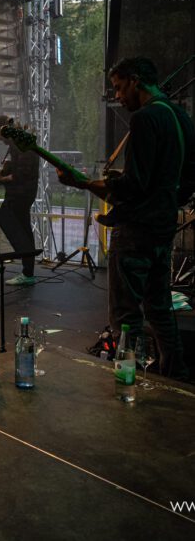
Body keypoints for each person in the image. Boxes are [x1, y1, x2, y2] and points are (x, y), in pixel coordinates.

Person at [58, 57, 194, 381]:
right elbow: (183, 178)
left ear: (135, 80)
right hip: (163, 226)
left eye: (119, 88)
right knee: (159, 307)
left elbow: (134, 185)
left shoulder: (145, 118)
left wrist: (84, 183)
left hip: (135, 231)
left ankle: (128, 380)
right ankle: (175, 375)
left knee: (126, 315)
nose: (118, 97)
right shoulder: (180, 117)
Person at [0, 114, 40, 286]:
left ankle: (27, 273)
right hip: (17, 194)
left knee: (22, 231)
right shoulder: (15, 143)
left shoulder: (20, 143)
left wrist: (2, 178)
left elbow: (22, 174)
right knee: (6, 226)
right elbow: (17, 170)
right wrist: (3, 174)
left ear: (3, 128)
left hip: (21, 195)